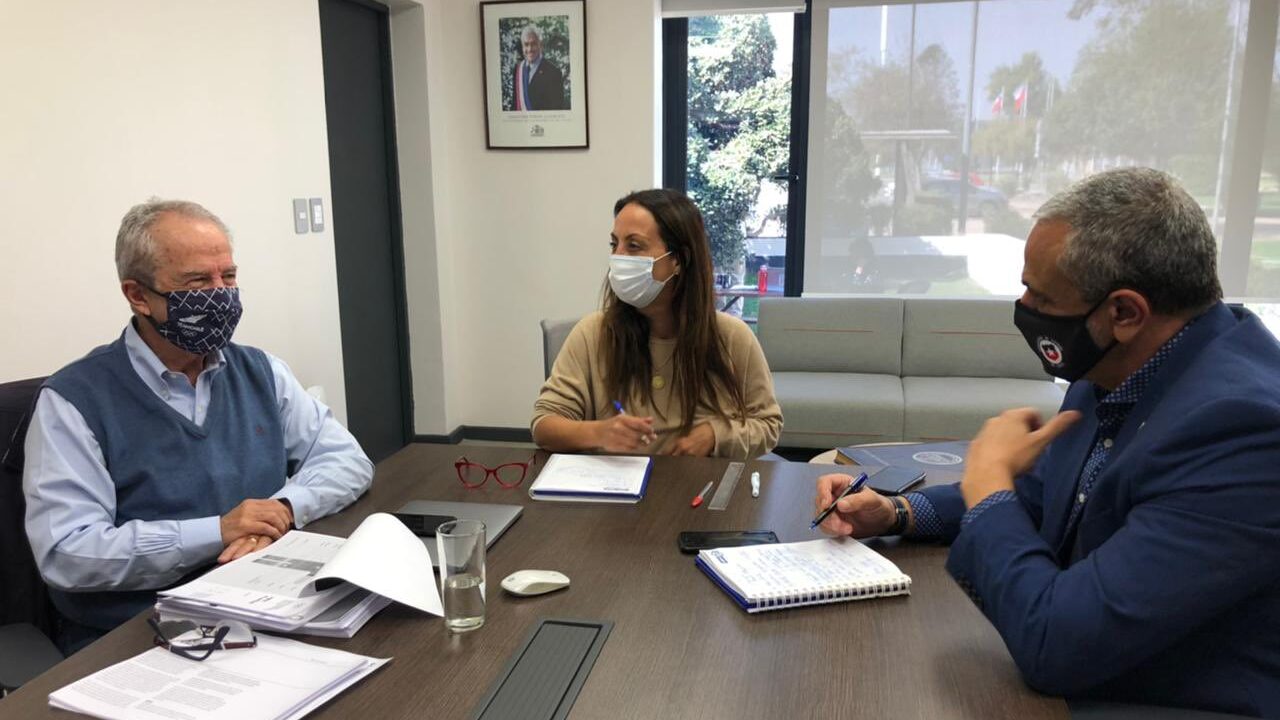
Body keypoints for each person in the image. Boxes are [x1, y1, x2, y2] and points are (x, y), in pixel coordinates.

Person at [815, 168, 1280, 717]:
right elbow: (1045, 496)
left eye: (1041, 293)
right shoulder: (1118, 367)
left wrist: (988, 483)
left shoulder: (1244, 430)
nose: (1025, 304)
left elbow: (1056, 646)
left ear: (1124, 313)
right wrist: (897, 512)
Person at [24, 199, 374, 653]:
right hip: (139, 632)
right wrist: (218, 532)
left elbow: (346, 460)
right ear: (137, 295)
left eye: (227, 277)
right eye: (197, 282)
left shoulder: (260, 370)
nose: (221, 295)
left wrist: (283, 509)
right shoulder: (73, 400)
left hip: (266, 604)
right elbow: (68, 552)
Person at [533, 189, 782, 459]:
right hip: (614, 493)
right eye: (614, 244)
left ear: (678, 260)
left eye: (634, 245)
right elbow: (544, 424)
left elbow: (768, 425)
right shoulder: (593, 333)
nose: (619, 257)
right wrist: (599, 432)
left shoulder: (732, 337)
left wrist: (715, 435)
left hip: (697, 489)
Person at [510, 25, 567, 111]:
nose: (529, 49)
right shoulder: (518, 70)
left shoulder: (553, 73)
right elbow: (514, 106)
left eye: (533, 44)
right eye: (526, 45)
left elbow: (557, 111)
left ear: (540, 45)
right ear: (522, 47)